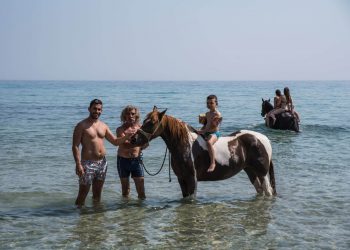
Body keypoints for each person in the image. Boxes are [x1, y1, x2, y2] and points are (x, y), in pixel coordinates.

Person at [72, 99, 133, 208]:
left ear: (101, 111)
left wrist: (127, 137)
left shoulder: (103, 126)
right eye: (94, 109)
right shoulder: (81, 125)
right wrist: (78, 164)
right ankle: (80, 220)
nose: (97, 111)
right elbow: (75, 146)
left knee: (97, 195)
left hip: (102, 164)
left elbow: (114, 141)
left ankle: (96, 220)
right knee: (82, 195)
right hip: (87, 164)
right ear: (89, 109)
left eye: (99, 109)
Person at [116, 105, 147, 199]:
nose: (130, 116)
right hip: (123, 161)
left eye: (132, 114)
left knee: (141, 190)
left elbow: (146, 144)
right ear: (124, 116)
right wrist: (139, 143)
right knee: (125, 191)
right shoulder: (120, 129)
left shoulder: (141, 128)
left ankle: (141, 211)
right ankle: (126, 212)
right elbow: (124, 145)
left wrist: (144, 144)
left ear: (136, 115)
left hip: (136, 160)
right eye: (128, 114)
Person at [198, 95, 222, 172]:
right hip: (206, 132)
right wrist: (200, 130)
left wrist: (202, 131)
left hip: (214, 133)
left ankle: (213, 163)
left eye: (211, 103)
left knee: (208, 143)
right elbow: (206, 125)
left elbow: (212, 127)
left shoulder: (217, 114)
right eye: (207, 103)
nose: (209, 105)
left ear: (216, 104)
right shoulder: (207, 113)